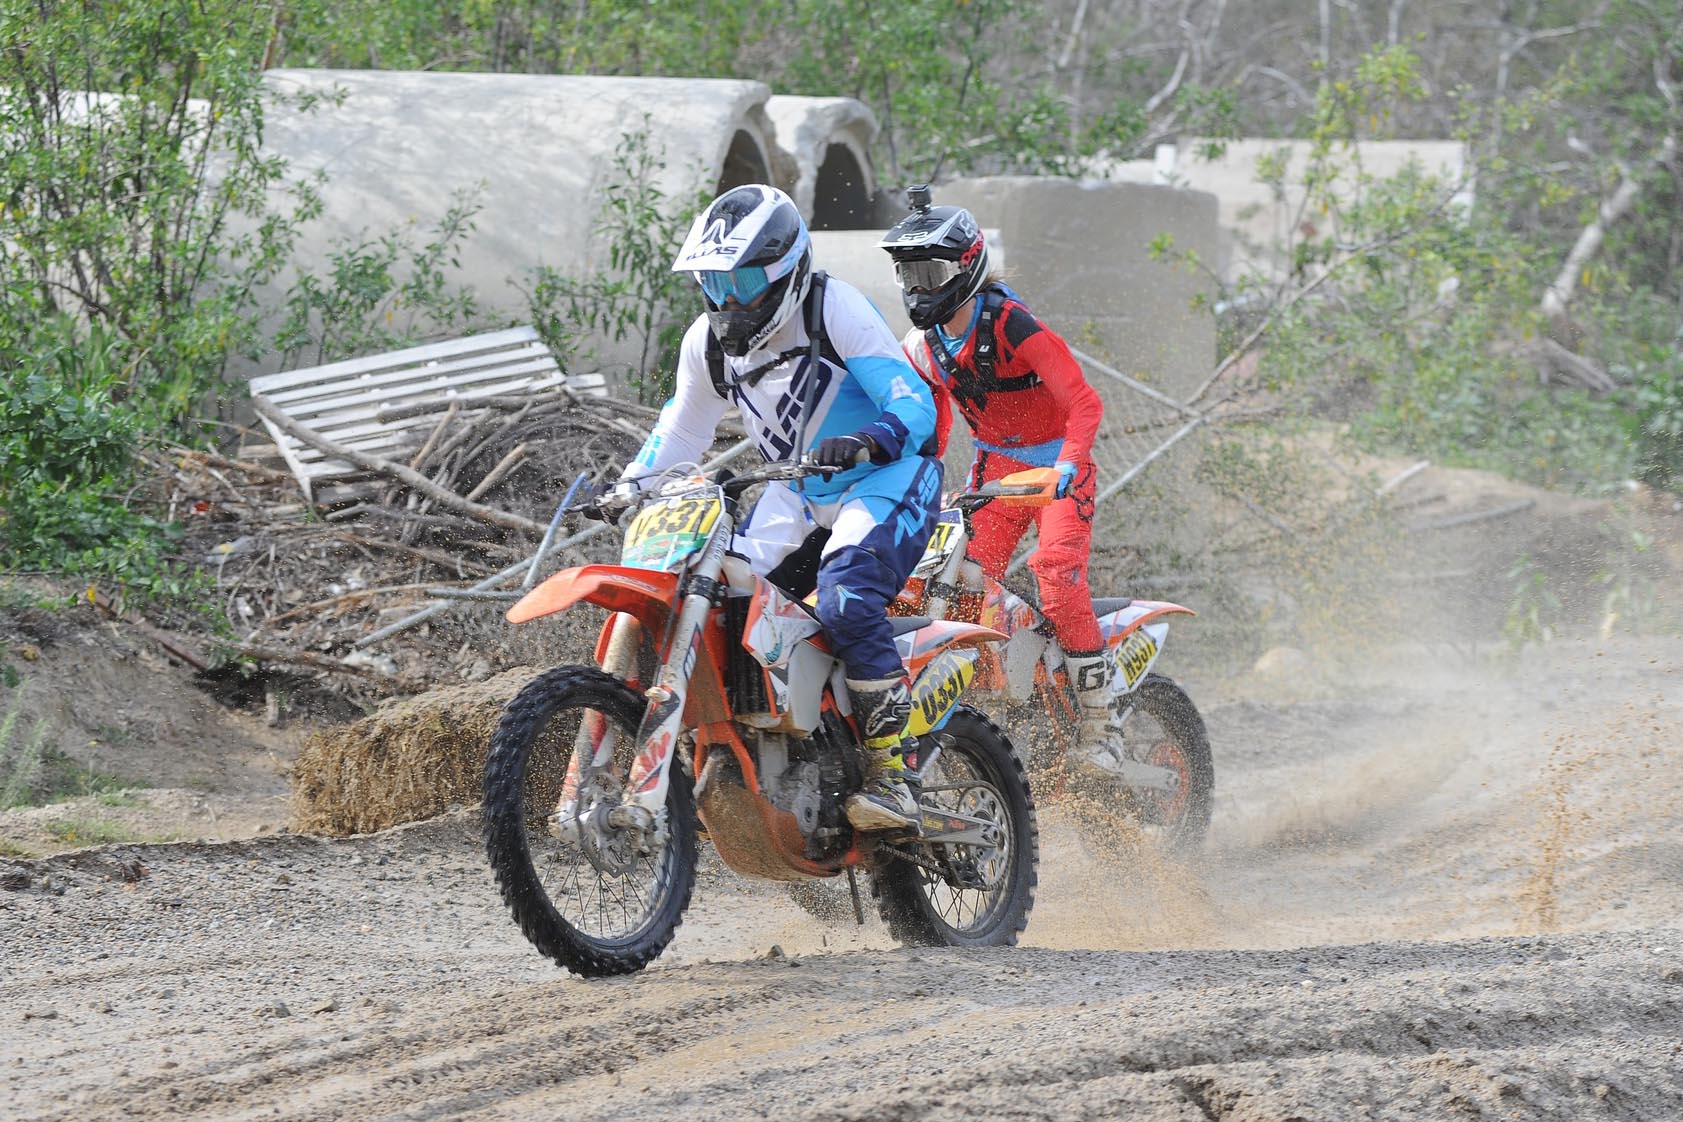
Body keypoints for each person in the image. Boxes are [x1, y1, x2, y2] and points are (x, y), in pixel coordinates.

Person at [617, 183, 942, 832]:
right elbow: (679, 434)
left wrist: (869, 439)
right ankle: (784, 752)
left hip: (882, 478)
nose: (726, 303)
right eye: (713, 284)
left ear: (785, 269)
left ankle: (892, 773)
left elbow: (913, 403)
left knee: (846, 595)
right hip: (792, 491)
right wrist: (628, 487)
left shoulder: (833, 307)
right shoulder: (706, 346)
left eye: (740, 283)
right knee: (720, 596)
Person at [879, 185, 1118, 776]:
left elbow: (1084, 402)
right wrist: (914, 481)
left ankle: (1101, 722)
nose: (919, 288)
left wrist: (1067, 465)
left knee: (1054, 575)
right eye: (908, 274)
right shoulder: (922, 346)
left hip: (1059, 466)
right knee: (953, 579)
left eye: (930, 272)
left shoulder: (1014, 326)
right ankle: (980, 707)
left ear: (965, 266)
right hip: (995, 470)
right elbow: (929, 426)